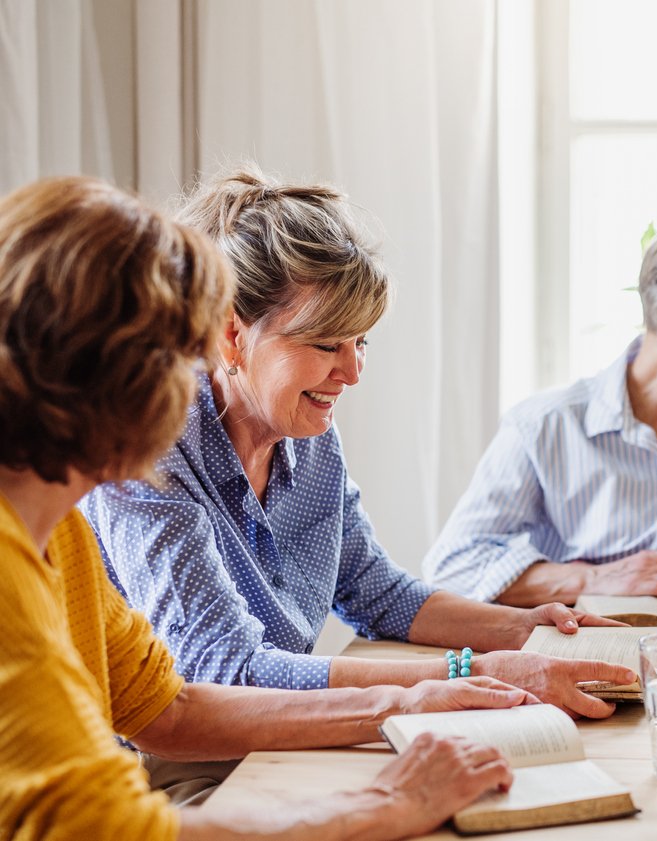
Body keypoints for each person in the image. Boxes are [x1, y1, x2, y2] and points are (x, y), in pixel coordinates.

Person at [0, 175, 555, 840]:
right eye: (182, 350)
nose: (195, 377)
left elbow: (167, 710)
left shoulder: (61, 531)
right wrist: (384, 801)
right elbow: (111, 825)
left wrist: (410, 697)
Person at [80, 168, 633, 730]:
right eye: (326, 343)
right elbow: (225, 672)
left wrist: (524, 628)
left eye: (361, 341)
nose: (352, 372)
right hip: (160, 768)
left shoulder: (309, 438)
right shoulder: (151, 454)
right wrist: (471, 670)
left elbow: (374, 591)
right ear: (231, 334)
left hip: (284, 736)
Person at [423, 217, 657, 606]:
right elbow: (454, 566)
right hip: (581, 652)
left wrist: (649, 581)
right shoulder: (543, 426)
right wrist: (595, 579)